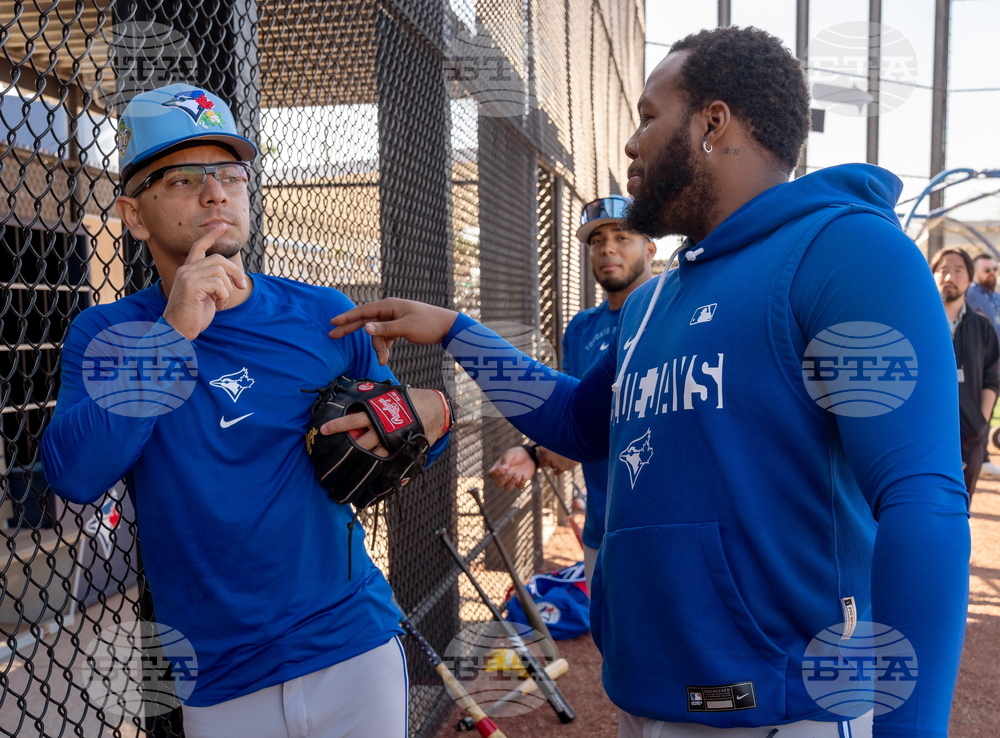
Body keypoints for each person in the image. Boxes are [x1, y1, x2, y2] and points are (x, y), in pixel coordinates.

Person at [328, 26, 970, 738]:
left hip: (789, 708)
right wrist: (456, 331)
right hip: (653, 694)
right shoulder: (656, 300)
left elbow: (923, 498)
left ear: (712, 122)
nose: (631, 144)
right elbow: (576, 420)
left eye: (647, 114)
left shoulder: (847, 249)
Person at [40, 84, 450, 738]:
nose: (214, 193)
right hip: (219, 672)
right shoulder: (108, 332)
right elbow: (73, 472)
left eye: (230, 173)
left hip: (349, 639)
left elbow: (408, 438)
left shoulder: (321, 312)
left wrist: (433, 416)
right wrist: (172, 334)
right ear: (133, 214)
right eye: (181, 178)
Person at [488, 195, 655, 588]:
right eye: (597, 241)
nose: (607, 248)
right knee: (611, 645)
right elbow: (577, 426)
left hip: (665, 529)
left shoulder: (673, 310)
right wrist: (535, 454)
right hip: (602, 530)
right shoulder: (581, 328)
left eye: (622, 236)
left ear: (650, 248)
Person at [931, 248, 1000, 496]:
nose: (950, 277)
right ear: (932, 276)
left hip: (970, 435)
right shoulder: (919, 322)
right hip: (926, 434)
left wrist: (981, 421)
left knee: (962, 504)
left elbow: (992, 377)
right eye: (943, 270)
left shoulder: (982, 327)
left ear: (970, 278)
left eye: (958, 270)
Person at [963, 252, 1000, 477]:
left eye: (995, 269)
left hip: (995, 360)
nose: (992, 273)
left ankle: (982, 453)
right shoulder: (971, 294)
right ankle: (980, 455)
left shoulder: (994, 297)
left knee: (990, 402)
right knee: (975, 406)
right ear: (975, 273)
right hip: (976, 360)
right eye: (987, 270)